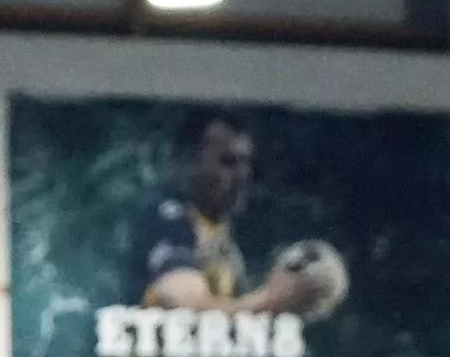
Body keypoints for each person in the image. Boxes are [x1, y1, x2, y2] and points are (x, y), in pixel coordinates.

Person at [135, 109, 321, 317]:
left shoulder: (221, 233)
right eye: (227, 162)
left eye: (246, 163)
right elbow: (184, 303)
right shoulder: (168, 221)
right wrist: (272, 299)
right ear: (189, 164)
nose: (242, 175)